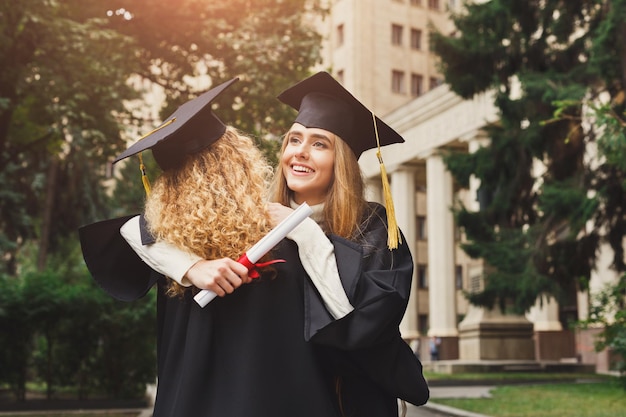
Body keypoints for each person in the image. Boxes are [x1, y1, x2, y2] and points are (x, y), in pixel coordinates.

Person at [80, 72, 429, 417]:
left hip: (349, 396)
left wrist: (307, 236)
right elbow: (134, 231)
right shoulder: (253, 220)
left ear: (343, 161)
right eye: (294, 140)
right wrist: (193, 268)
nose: (301, 153)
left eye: (319, 144)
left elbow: (361, 325)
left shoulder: (373, 227)